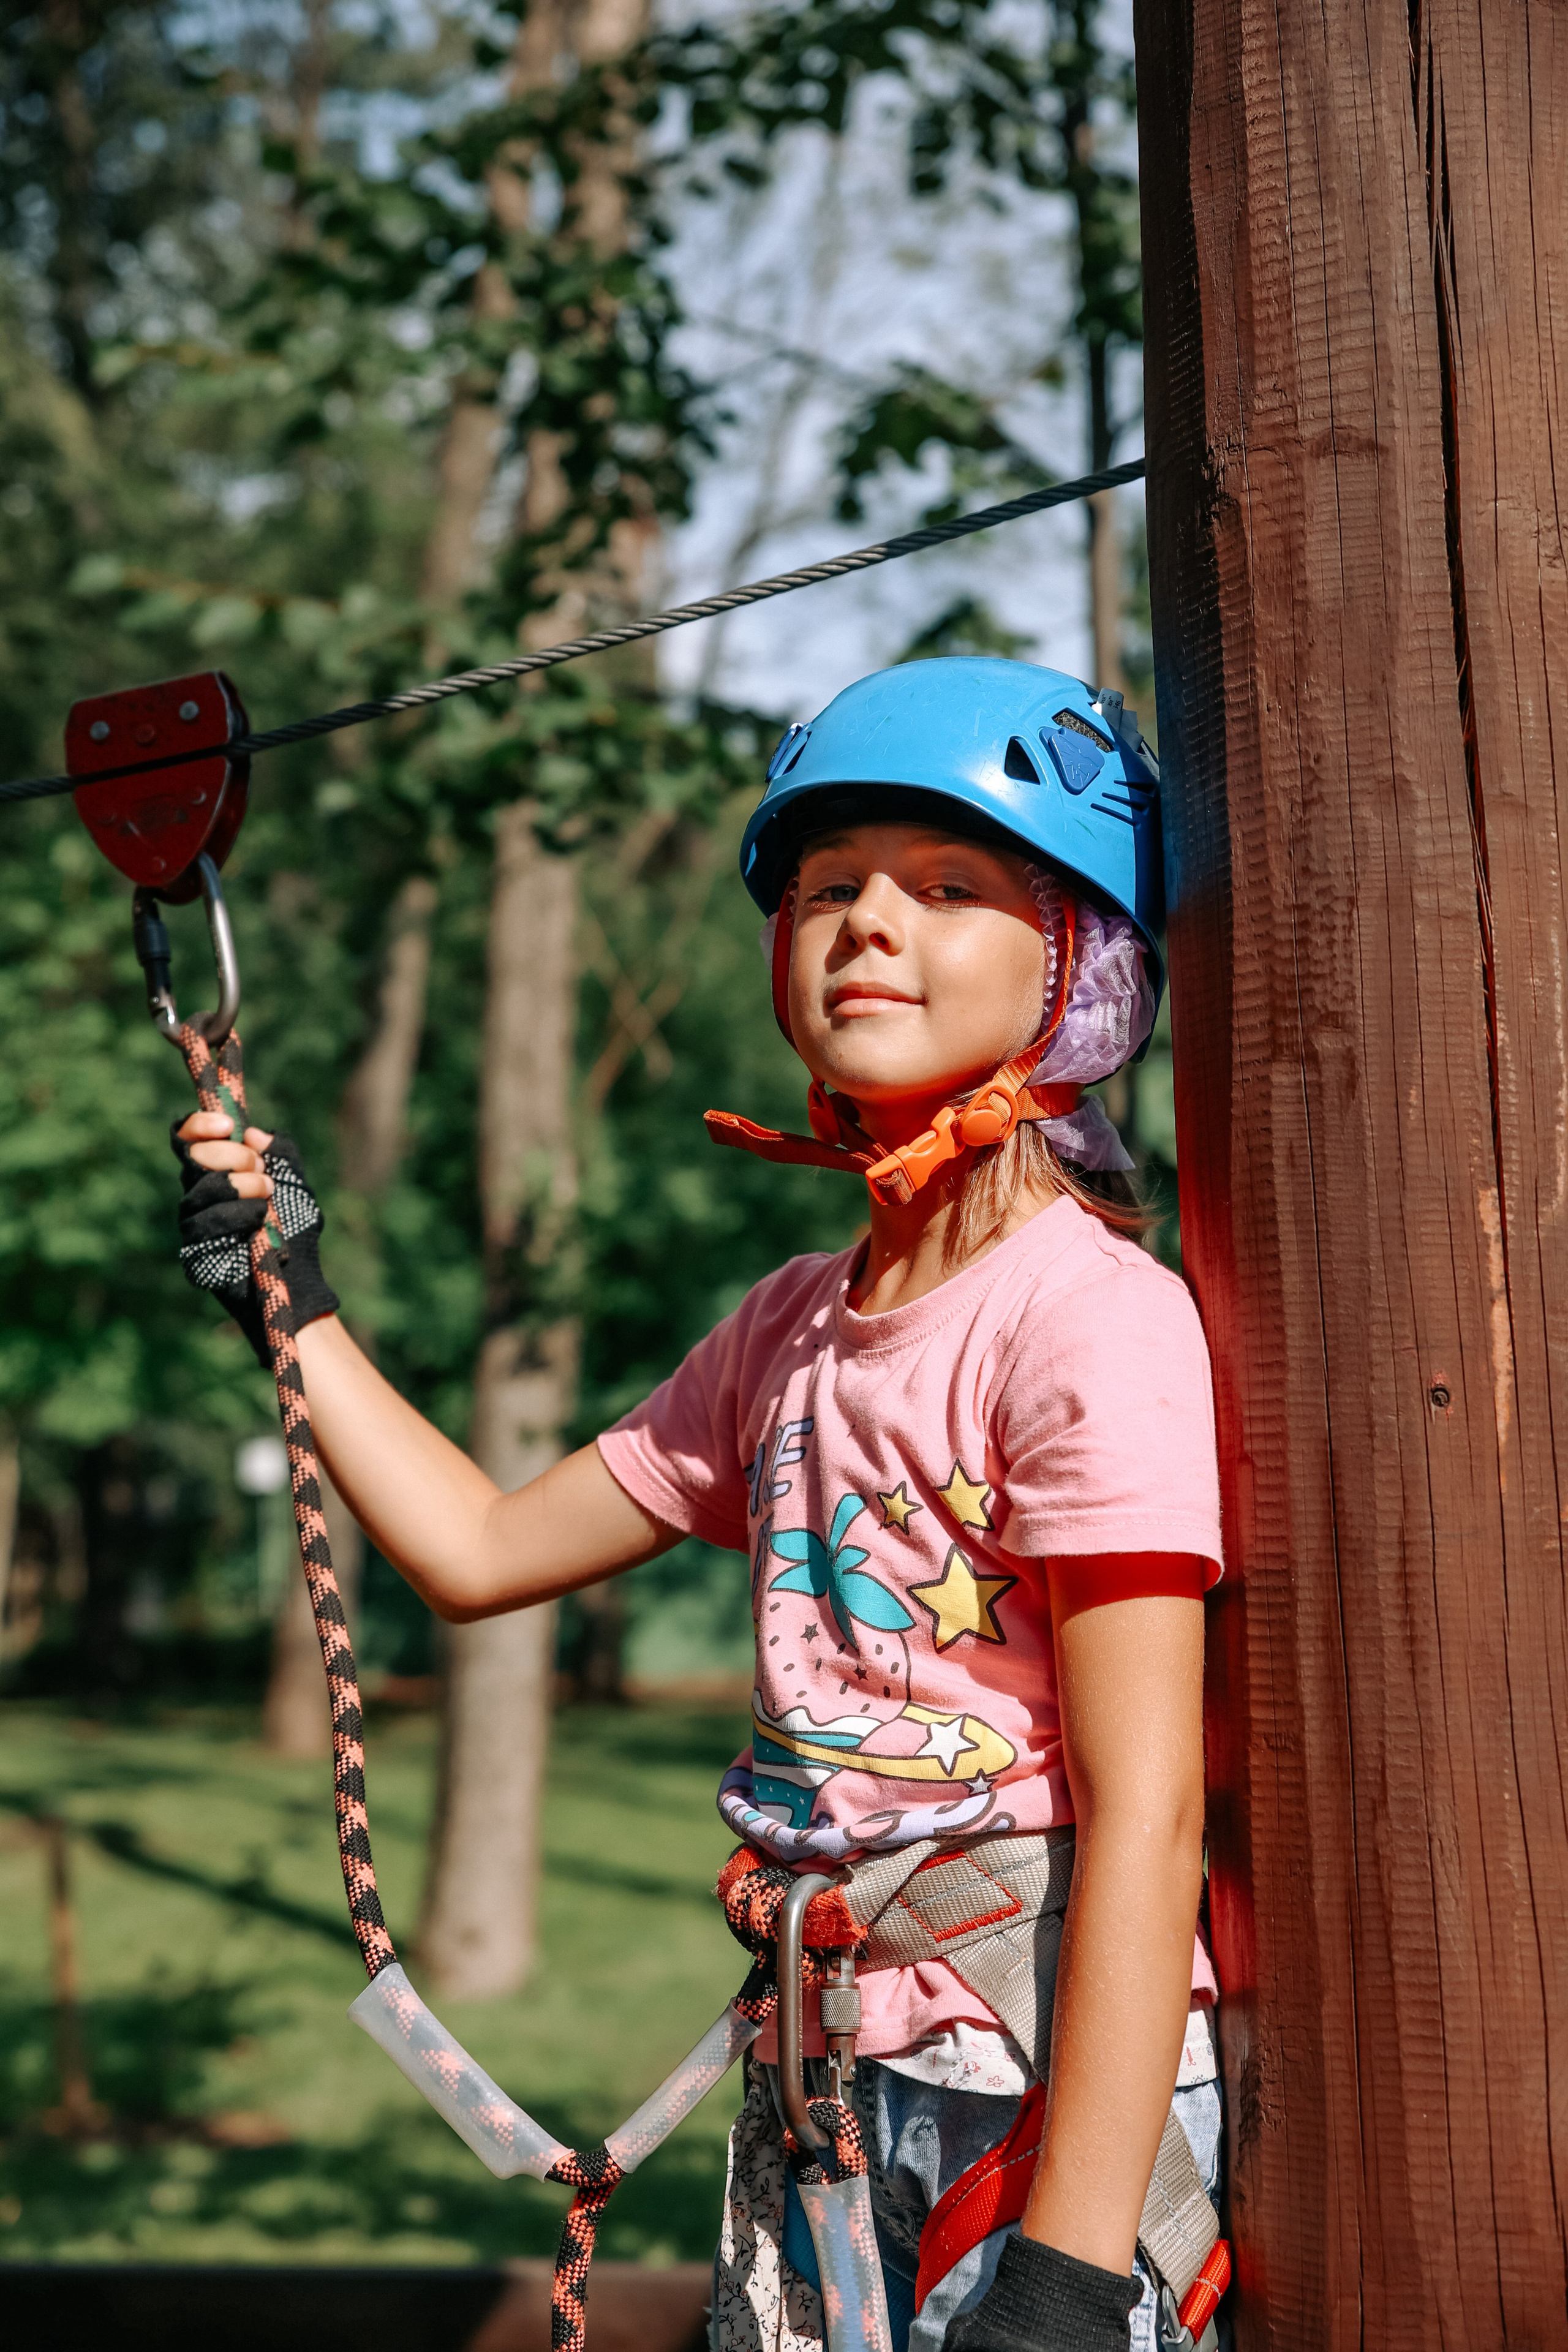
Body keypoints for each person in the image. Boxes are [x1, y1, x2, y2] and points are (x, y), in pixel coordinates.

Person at [172, 657, 1224, 2352]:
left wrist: (1074, 2268)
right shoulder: (789, 1331)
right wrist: (291, 1303)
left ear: (1080, 963)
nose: (871, 922)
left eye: (951, 885)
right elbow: (478, 1550)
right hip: (814, 2085)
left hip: (1025, 2091)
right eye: (829, 889)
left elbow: (1150, 1809)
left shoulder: (1086, 1320)